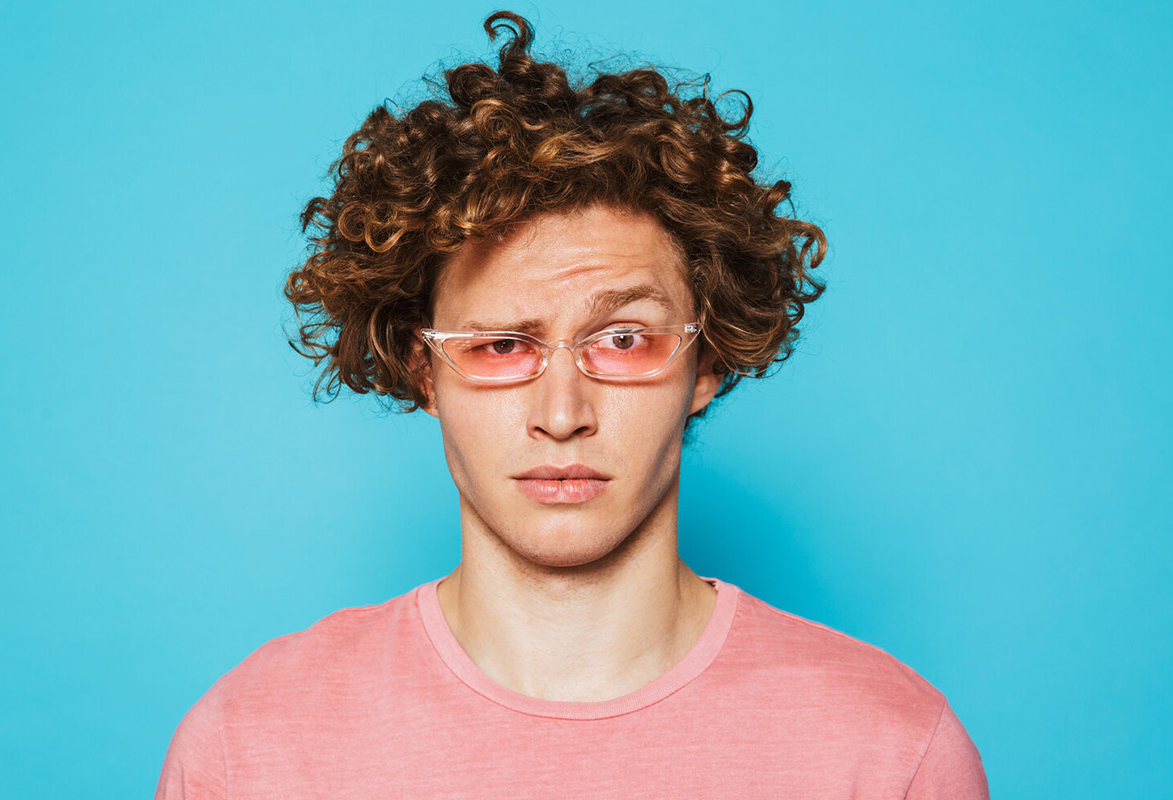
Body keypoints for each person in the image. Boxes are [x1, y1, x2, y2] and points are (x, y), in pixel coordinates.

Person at [154, 10, 989, 798]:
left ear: (707, 360)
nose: (562, 412)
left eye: (623, 339)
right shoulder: (251, 746)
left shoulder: (888, 751)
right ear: (423, 369)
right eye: (500, 345)